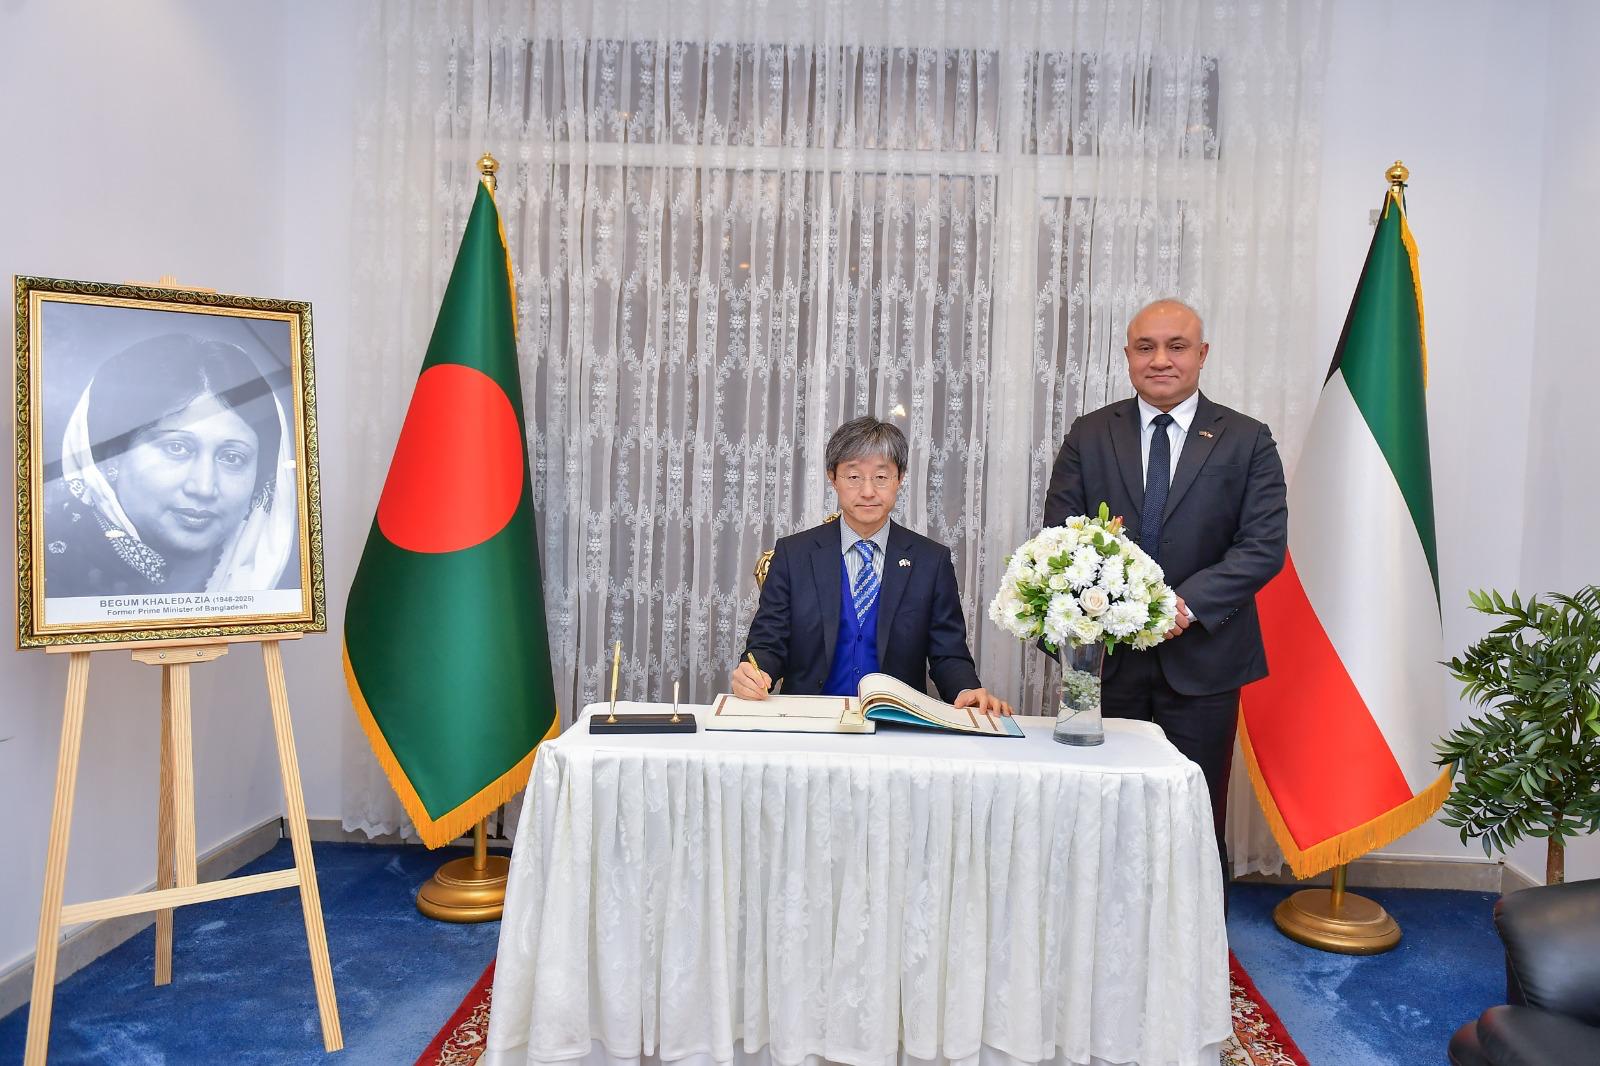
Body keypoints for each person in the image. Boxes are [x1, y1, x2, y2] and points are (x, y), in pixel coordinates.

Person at [1042, 298, 1287, 876]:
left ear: (1202, 355)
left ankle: (1199, 933)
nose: (1160, 360)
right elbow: (1060, 536)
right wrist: (1120, 607)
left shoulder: (1246, 439)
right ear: (1127, 355)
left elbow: (1262, 546)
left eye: (1176, 347)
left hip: (1203, 661)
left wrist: (1182, 606)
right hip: (1107, 660)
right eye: (1145, 347)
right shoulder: (1090, 433)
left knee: (1192, 815)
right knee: (1104, 812)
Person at [734, 416, 1012, 716]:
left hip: (897, 723)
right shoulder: (794, 554)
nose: (868, 491)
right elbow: (768, 642)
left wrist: (966, 690)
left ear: (899, 478)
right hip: (809, 719)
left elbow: (948, 653)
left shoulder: (931, 561)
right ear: (833, 478)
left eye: (881, 477)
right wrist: (755, 673)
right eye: (854, 476)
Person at [44, 333, 297, 598]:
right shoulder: (49, 580)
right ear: (113, 455)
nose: (203, 487)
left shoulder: (282, 591)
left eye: (232, 457)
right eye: (176, 448)